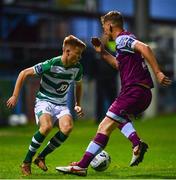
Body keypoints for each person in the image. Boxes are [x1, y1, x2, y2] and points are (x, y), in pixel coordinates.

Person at [56, 11, 172, 176]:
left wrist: (158, 72)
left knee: (105, 125)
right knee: (113, 122)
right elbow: (119, 65)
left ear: (110, 26)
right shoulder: (124, 41)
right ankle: (135, 144)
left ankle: (83, 165)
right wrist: (102, 52)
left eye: (104, 27)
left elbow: (145, 47)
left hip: (133, 90)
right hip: (141, 92)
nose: (103, 31)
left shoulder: (122, 39)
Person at [6, 35, 86, 176]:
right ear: (67, 51)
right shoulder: (52, 64)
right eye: (77, 54)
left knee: (67, 128)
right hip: (45, 101)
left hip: (61, 104)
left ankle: (41, 157)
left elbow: (78, 85)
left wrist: (78, 104)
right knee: (46, 126)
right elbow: (23, 73)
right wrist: (14, 95)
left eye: (80, 54)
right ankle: (26, 162)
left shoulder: (77, 68)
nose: (79, 57)